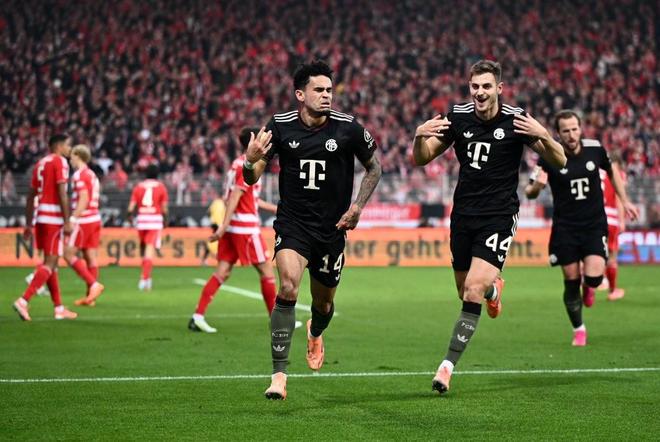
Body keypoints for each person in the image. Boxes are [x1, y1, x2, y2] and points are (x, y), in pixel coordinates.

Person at [411, 60, 567, 395]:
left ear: (499, 88)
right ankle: (494, 291)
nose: (480, 92)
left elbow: (560, 160)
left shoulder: (516, 119)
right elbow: (422, 158)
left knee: (471, 291)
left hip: (498, 216)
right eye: (475, 86)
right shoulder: (458, 116)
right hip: (463, 215)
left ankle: (446, 367)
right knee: (464, 290)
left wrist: (544, 134)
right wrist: (418, 136)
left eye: (486, 86)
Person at [243, 60, 382, 400]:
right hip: (293, 224)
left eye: (329, 90)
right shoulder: (279, 126)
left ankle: (315, 332)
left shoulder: (348, 128)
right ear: (300, 95)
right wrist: (249, 160)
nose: (326, 95)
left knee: (324, 304)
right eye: (319, 90)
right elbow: (252, 176)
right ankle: (279, 375)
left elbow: (374, 167)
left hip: (332, 229)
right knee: (288, 286)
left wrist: (357, 207)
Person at [525, 109, 638, 346]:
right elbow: (529, 192)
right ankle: (579, 329)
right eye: (565, 131)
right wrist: (537, 186)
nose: (571, 134)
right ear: (558, 134)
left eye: (574, 129)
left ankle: (590, 286)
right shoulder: (548, 156)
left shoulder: (595, 149)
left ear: (580, 129)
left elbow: (613, 172)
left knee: (595, 278)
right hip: (565, 227)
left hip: (594, 225)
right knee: (571, 280)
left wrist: (625, 201)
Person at [189, 127, 278, 333]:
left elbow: (249, 199)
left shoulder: (237, 164)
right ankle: (276, 320)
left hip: (233, 226)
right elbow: (236, 196)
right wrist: (222, 227)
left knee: (223, 271)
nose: (266, 142)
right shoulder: (247, 164)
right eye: (263, 139)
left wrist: (276, 208)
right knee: (267, 271)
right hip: (245, 228)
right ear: (254, 142)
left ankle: (197, 316)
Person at [12, 134, 79, 321]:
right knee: (50, 263)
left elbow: (30, 195)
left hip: (40, 217)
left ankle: (59, 308)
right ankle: (24, 300)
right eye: (68, 145)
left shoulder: (40, 163)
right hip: (53, 219)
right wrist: (67, 220)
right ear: (59, 145)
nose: (69, 149)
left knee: (52, 264)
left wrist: (28, 224)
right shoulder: (60, 162)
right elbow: (62, 193)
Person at [61, 144, 105, 306]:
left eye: (72, 156)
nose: (70, 160)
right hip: (95, 218)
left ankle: (93, 284)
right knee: (90, 257)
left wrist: (73, 218)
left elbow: (84, 198)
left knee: (68, 254)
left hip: (84, 220)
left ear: (78, 156)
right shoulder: (92, 174)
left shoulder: (79, 175)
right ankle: (90, 298)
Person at [127, 164, 169, 290]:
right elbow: (164, 208)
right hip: (154, 221)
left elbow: (130, 208)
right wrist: (166, 221)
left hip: (141, 221)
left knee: (143, 249)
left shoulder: (138, 186)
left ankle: (146, 276)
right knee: (149, 250)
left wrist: (130, 219)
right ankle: (144, 279)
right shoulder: (161, 187)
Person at [598, 152, 627, 300]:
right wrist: (622, 220)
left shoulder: (598, 173)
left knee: (595, 252)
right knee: (612, 256)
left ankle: (597, 281)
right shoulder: (618, 174)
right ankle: (613, 291)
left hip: (596, 217)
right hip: (611, 218)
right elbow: (618, 198)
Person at [199, 197, 225, 266]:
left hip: (214, 223)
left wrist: (211, 218)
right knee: (216, 241)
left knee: (212, 241)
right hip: (219, 225)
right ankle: (220, 258)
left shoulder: (215, 202)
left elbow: (208, 212)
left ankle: (203, 260)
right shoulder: (222, 203)